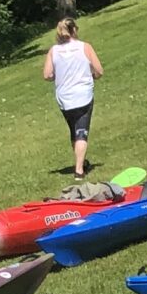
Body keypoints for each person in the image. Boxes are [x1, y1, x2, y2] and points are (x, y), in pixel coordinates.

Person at [42, 17, 103, 176]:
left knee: (73, 130)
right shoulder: (84, 47)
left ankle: (80, 161)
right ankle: (79, 170)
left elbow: (47, 75)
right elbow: (99, 71)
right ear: (74, 30)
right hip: (83, 95)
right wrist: (92, 73)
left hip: (64, 98)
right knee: (82, 130)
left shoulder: (53, 51)